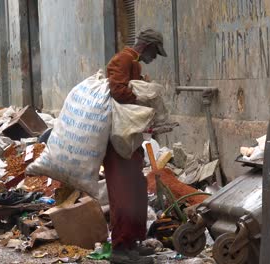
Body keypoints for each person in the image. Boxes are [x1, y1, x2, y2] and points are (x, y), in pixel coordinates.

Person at [104, 29, 167, 264]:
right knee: (122, 193)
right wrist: (142, 97)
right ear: (148, 46)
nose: (155, 58)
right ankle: (120, 250)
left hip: (129, 138)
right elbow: (118, 90)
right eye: (155, 52)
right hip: (116, 141)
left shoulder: (135, 64)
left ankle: (132, 242)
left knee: (136, 189)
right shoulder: (123, 59)